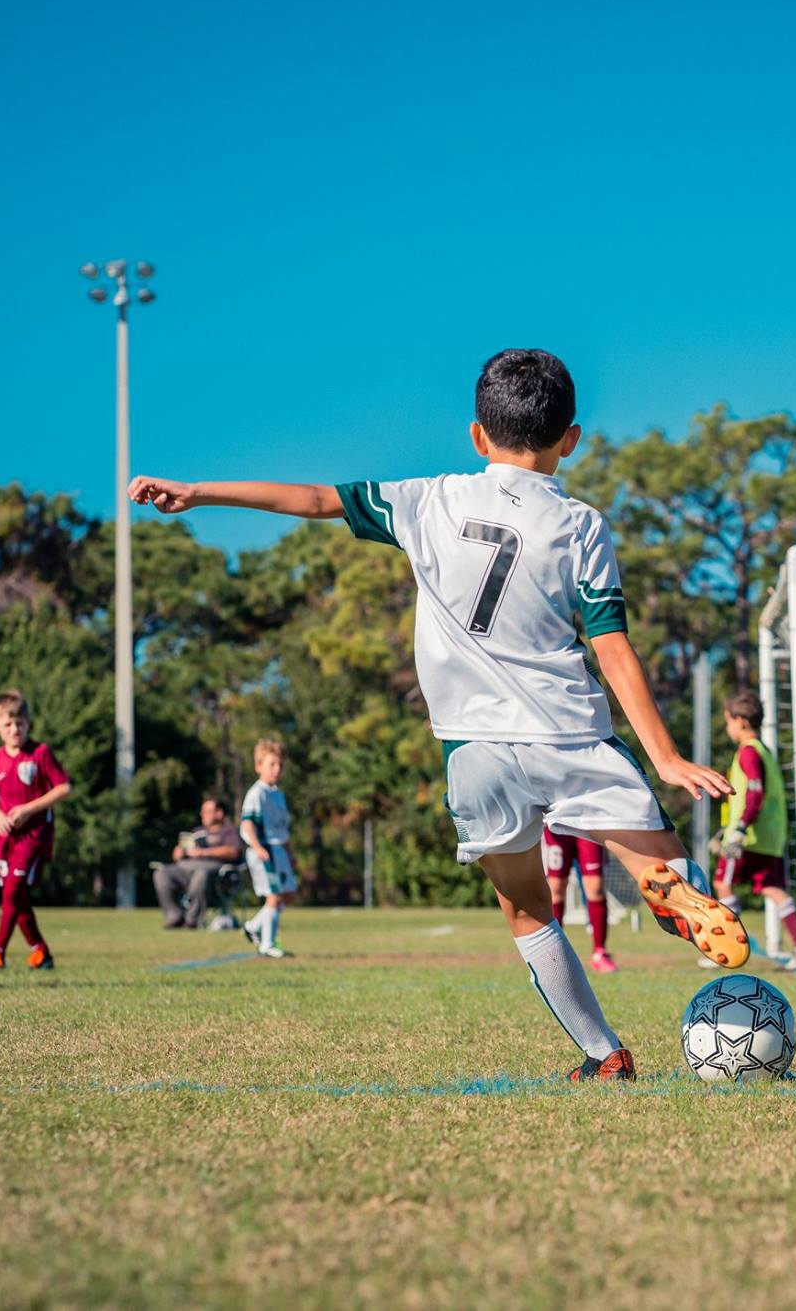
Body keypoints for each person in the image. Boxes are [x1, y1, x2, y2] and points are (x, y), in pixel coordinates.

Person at [129, 346, 744, 1082]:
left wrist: (199, 492)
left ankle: (602, 1052)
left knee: (527, 910)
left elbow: (316, 500)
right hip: (572, 732)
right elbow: (612, 648)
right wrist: (668, 757)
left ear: (478, 436)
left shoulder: (430, 498)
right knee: (667, 866)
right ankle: (667, 883)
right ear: (570, 439)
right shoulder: (580, 524)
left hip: (475, 750)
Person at [0, 691, 72, 970]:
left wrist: (28, 809)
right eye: (7, 725)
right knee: (13, 894)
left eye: (20, 723)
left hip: (34, 835)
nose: (15, 729)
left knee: (14, 889)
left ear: (28, 723)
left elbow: (64, 787)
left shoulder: (40, 753)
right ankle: (40, 951)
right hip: (6, 838)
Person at [712, 688, 796, 959]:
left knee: (722, 884)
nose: (728, 727)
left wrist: (738, 829)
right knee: (773, 889)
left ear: (740, 721)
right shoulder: (765, 751)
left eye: (728, 721)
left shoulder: (748, 752)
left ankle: (729, 950)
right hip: (769, 836)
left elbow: (754, 792)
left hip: (746, 836)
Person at [239, 740, 295, 957]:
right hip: (264, 851)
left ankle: (253, 927)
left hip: (279, 850)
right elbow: (247, 823)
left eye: (280, 765)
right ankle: (267, 944)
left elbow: (282, 828)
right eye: (272, 764)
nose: (277, 769)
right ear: (258, 766)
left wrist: (290, 853)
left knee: (288, 894)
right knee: (273, 896)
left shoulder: (277, 794)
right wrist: (257, 846)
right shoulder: (256, 793)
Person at [154, 798, 245, 928]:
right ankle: (174, 916)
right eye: (202, 811)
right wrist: (179, 852)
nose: (202, 814)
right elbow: (178, 856)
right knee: (162, 873)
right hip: (186, 870)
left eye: (207, 811)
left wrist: (204, 852)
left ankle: (192, 920)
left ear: (219, 813)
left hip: (217, 876)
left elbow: (233, 851)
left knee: (201, 874)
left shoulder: (229, 831)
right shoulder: (197, 831)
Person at [542, 826, 617, 972]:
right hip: (556, 824)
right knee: (556, 887)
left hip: (587, 824)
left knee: (595, 887)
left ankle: (599, 953)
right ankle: (554, 954)